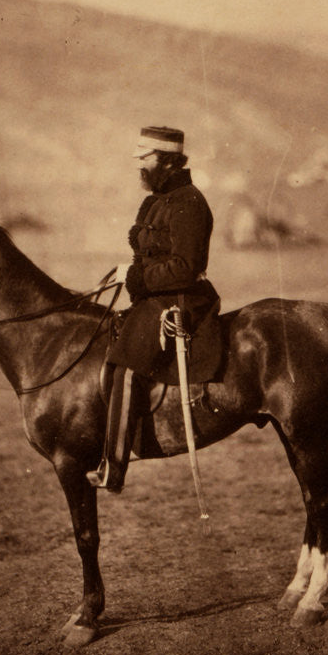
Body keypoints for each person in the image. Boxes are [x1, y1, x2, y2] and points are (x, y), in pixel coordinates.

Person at [87, 126, 220, 493]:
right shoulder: (156, 201)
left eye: (144, 159)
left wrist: (137, 275)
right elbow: (146, 256)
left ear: (165, 159)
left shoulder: (188, 202)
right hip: (154, 294)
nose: (139, 167)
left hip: (181, 298)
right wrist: (128, 271)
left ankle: (113, 467)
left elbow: (185, 267)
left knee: (126, 365)